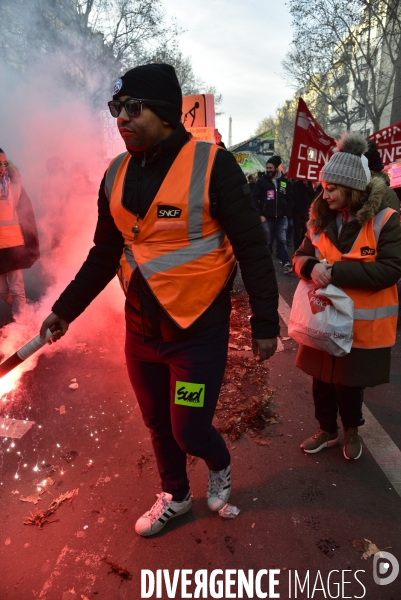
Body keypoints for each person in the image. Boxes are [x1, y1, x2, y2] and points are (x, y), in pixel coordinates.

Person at [39, 64, 279, 536]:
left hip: (196, 334)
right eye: (116, 109)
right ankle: (176, 496)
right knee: (156, 423)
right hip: (141, 332)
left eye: (133, 107)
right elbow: (104, 254)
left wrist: (265, 322)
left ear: (167, 112)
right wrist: (63, 310)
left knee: (188, 429)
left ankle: (219, 460)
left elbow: (252, 247)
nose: (121, 118)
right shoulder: (115, 173)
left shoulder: (214, 166)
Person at [292, 132, 401, 460]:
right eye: (324, 187)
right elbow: (299, 256)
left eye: (332, 188)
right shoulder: (319, 219)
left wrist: (336, 272)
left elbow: (390, 270)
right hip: (321, 321)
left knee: (349, 384)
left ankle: (352, 430)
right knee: (321, 380)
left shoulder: (386, 219)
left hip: (359, 327)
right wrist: (310, 267)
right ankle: (327, 430)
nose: (324, 195)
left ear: (353, 189)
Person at [0, 148, 40, 323]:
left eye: (4, 163)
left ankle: (20, 322)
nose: (2, 167)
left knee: (17, 289)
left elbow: (27, 216)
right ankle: (26, 312)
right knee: (2, 292)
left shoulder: (16, 188)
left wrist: (31, 245)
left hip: (14, 245)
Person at [252, 155, 293, 273]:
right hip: (267, 218)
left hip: (281, 218)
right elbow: (254, 198)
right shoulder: (261, 182)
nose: (268, 170)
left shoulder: (284, 181)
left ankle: (286, 263)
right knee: (267, 241)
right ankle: (266, 263)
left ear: (276, 168)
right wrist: (260, 214)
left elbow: (290, 198)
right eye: (267, 168)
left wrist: (287, 213)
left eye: (271, 168)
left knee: (282, 240)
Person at [292, 179, 315, 250]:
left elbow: (312, 194)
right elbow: (292, 196)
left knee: (305, 230)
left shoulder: (310, 183)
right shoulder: (295, 184)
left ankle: (302, 246)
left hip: (306, 211)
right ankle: (296, 248)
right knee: (297, 231)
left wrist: (307, 185)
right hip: (296, 211)